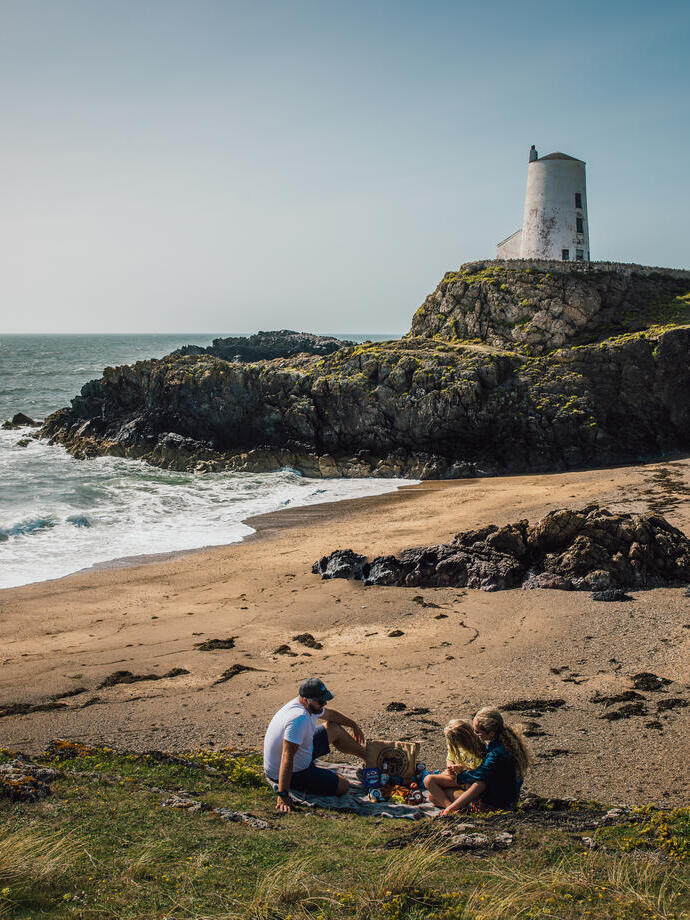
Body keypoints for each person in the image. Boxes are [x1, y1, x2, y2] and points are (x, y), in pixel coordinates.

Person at [263, 677, 366, 812]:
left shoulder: (309, 706)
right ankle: (289, 784)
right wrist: (283, 794)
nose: (324, 703)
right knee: (344, 785)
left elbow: (330, 714)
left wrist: (353, 725)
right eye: (321, 701)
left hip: (302, 753)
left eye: (325, 699)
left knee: (333, 728)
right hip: (292, 772)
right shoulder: (298, 718)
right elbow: (287, 756)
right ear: (306, 700)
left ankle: (368, 758)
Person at [425, 707, 532, 815]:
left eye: (477, 732)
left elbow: (479, 774)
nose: (474, 734)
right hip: (508, 800)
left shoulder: (496, 754)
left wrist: (459, 778)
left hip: (496, 804)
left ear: (490, 733)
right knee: (436, 795)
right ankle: (453, 807)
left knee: (434, 797)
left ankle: (451, 809)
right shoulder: (504, 743)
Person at [424, 719, 485, 806]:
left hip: (469, 781)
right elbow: (450, 759)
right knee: (428, 780)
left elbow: (480, 773)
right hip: (456, 778)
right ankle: (450, 807)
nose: (456, 746)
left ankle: (461, 804)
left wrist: (463, 769)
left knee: (434, 797)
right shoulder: (453, 745)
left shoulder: (479, 750)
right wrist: (450, 767)